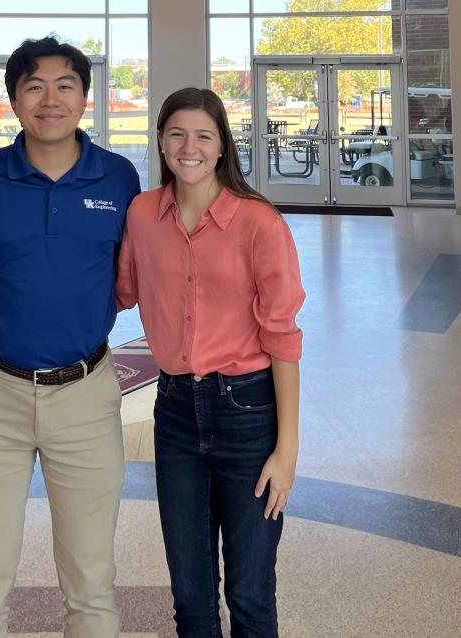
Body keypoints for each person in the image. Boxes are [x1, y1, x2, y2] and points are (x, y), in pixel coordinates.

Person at [0, 36, 142, 638]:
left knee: (92, 580)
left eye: (65, 86)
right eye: (34, 86)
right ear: (13, 100)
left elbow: (136, 270)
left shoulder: (118, 178)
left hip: (85, 394)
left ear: (86, 98)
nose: (50, 99)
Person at [116, 87, 305, 637]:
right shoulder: (142, 215)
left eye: (203, 135)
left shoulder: (259, 222)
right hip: (175, 409)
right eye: (177, 134)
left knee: (250, 594)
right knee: (191, 596)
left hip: (248, 412)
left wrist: (286, 450)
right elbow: (119, 291)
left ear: (223, 145)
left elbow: (283, 339)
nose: (189, 147)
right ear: (160, 141)